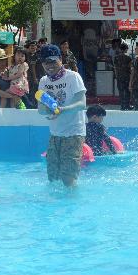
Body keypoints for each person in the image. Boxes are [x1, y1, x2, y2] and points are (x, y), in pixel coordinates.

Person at [37, 44, 87, 187]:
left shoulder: (73, 77)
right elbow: (40, 108)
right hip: (55, 133)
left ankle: (72, 205)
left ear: (60, 59)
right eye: (46, 62)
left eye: (53, 61)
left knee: (68, 177)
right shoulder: (44, 81)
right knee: (52, 176)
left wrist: (63, 109)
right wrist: (47, 111)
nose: (49, 65)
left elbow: (82, 103)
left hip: (74, 132)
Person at [113, 41, 132, 110]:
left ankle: (122, 106)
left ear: (120, 49)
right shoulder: (128, 57)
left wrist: (116, 75)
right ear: (126, 49)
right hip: (127, 76)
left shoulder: (116, 57)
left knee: (121, 91)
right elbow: (130, 68)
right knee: (127, 92)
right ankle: (127, 105)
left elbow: (115, 68)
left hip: (119, 77)